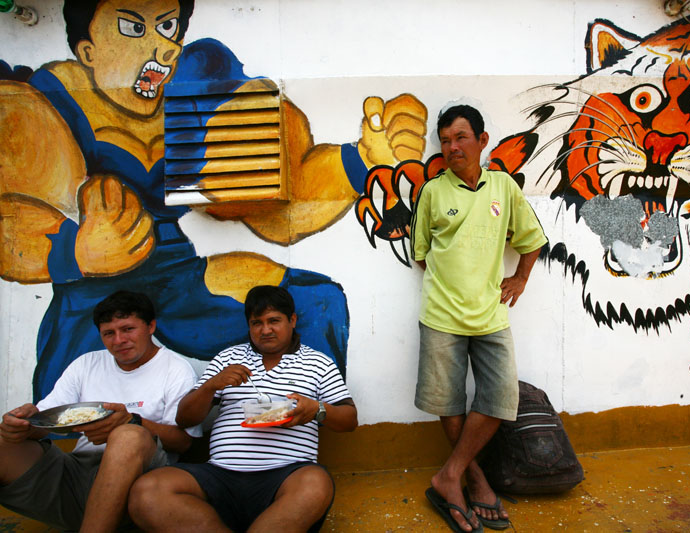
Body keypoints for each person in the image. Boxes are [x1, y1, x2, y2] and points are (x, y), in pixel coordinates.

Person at [0, 0, 426, 402]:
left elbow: (281, 209)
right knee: (61, 415)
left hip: (178, 275)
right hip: (93, 288)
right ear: (88, 49)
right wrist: (72, 249)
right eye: (133, 27)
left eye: (169, 27)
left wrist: (359, 160)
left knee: (316, 300)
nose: (161, 46)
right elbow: (13, 219)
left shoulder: (201, 84)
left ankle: (302, 425)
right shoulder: (45, 100)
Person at [410, 105, 548, 532]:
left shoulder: (503, 187)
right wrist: (451, 282)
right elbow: (420, 254)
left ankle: (448, 475)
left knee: (500, 396)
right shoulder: (432, 192)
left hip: (490, 313)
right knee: (448, 402)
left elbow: (532, 239)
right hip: (441, 315)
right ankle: (473, 478)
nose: (452, 147)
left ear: (482, 141)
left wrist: (520, 278)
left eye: (461, 137)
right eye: (445, 140)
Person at [129, 285, 358, 533]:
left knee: (316, 484)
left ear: (292, 320)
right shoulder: (228, 358)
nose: (265, 330)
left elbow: (349, 420)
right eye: (256, 323)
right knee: (147, 492)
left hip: (287, 477)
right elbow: (184, 418)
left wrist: (317, 410)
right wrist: (211, 385)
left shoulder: (318, 363)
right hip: (219, 475)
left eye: (274, 321)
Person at [0, 290, 201, 532]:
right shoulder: (86, 364)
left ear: (151, 326)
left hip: (141, 483)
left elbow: (183, 442)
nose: (119, 340)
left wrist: (132, 420)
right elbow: (46, 422)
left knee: (128, 435)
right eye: (109, 333)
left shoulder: (175, 369)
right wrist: (21, 425)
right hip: (77, 473)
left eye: (128, 329)